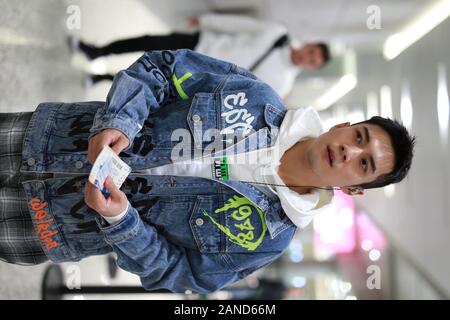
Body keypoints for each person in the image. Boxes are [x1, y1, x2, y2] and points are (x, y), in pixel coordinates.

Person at [0, 49, 414, 293]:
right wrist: (120, 123)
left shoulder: (266, 237)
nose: (347, 151)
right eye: (359, 136)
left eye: (363, 164)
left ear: (357, 189)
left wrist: (121, 221)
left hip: (49, 225)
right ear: (344, 126)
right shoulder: (255, 97)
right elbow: (162, 68)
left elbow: (182, 276)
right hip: (43, 136)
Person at [73, 13, 330, 99]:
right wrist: (207, 20)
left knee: (151, 82)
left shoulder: (283, 84)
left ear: (310, 68)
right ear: (308, 44)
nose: (307, 58)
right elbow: (239, 24)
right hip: (200, 44)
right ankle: (97, 50)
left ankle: (102, 77)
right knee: (149, 43)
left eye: (312, 61)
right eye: (311, 52)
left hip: (199, 75)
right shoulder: (277, 33)